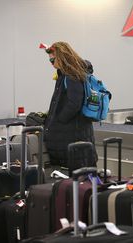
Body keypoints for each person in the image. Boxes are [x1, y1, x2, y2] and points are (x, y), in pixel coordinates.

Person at [43, 41, 98, 171]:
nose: (51, 64)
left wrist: (59, 120)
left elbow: (74, 103)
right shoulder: (68, 73)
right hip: (75, 133)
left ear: (62, 57)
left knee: (77, 180)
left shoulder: (72, 75)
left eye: (53, 60)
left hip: (72, 135)